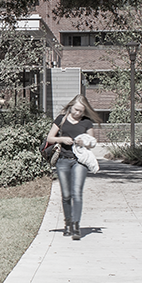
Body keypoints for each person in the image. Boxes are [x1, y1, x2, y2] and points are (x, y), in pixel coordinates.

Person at [46, 95, 99, 240]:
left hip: (80, 161)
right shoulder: (61, 119)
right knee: (66, 195)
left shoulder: (87, 123)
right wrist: (62, 139)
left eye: (81, 111)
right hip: (63, 160)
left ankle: (76, 225)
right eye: (76, 110)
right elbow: (49, 138)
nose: (77, 113)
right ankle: (67, 223)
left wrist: (84, 142)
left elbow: (92, 142)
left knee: (77, 193)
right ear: (71, 106)